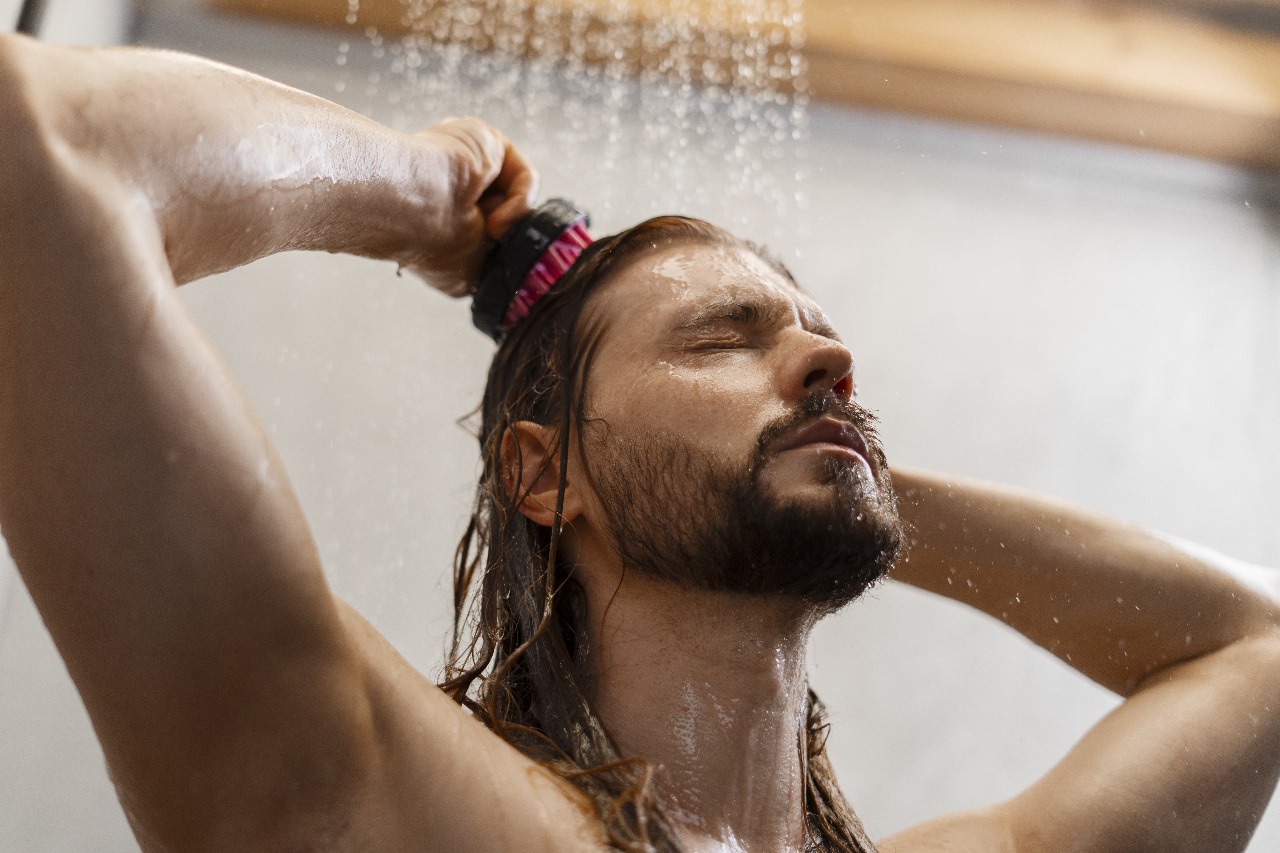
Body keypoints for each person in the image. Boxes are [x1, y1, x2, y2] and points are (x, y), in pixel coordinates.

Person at [2, 32, 1279, 853]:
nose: (827, 360)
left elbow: (1251, 643)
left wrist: (835, 472)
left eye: (821, 345)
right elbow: (34, 147)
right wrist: (426, 196)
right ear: (544, 472)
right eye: (722, 339)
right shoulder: (392, 805)